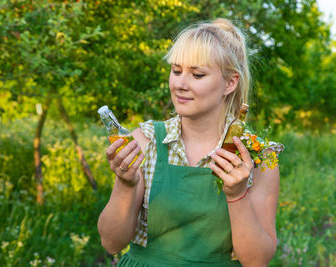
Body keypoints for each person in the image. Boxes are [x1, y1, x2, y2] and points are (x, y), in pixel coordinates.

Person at [97, 18, 284, 266]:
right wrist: (126, 183)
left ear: (230, 83)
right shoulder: (146, 141)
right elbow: (111, 243)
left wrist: (237, 194)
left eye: (197, 74)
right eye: (176, 71)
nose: (180, 84)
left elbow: (257, 260)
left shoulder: (259, 156)